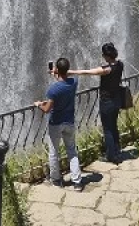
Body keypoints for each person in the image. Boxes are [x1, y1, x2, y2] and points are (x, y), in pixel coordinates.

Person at [71, 42, 125, 164]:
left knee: (107, 129)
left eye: (103, 54)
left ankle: (111, 156)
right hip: (117, 100)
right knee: (114, 126)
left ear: (106, 55)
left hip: (107, 102)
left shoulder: (107, 70)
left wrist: (70, 72)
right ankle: (117, 150)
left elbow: (88, 72)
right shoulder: (120, 64)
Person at [34, 57, 83, 191]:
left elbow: (47, 109)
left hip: (56, 123)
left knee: (54, 152)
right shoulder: (74, 82)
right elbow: (67, 77)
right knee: (72, 151)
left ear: (57, 69)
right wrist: (57, 72)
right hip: (69, 122)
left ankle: (56, 180)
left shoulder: (53, 89)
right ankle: (77, 181)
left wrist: (39, 104)